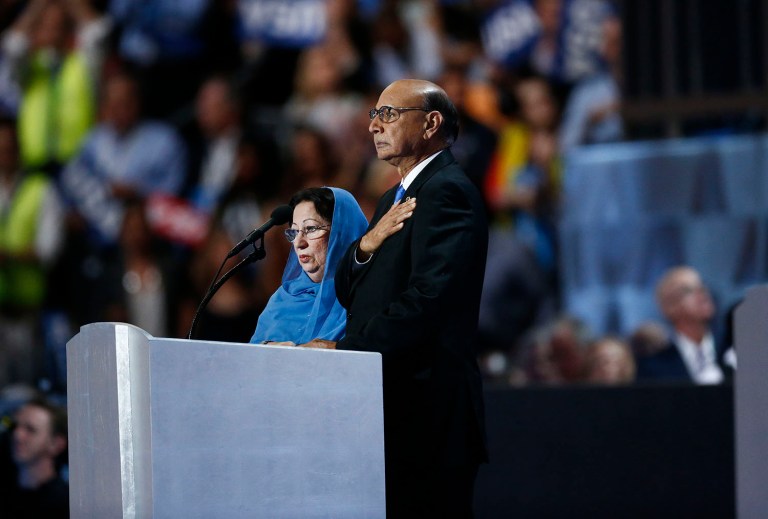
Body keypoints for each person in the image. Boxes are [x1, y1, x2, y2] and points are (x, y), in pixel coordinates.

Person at [301, 79, 489, 516]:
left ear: (431, 124)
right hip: (391, 407)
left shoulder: (446, 191)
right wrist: (364, 248)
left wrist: (348, 351)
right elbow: (350, 292)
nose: (374, 126)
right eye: (374, 115)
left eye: (388, 114)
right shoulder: (394, 197)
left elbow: (428, 299)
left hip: (429, 413)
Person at [250, 186, 367, 345]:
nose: (299, 243)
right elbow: (251, 356)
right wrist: (268, 348)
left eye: (311, 228)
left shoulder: (365, 294)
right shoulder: (283, 298)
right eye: (294, 232)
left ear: (341, 232)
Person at [636, 266, 726, 385]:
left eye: (702, 287)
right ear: (668, 307)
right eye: (688, 291)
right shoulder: (653, 367)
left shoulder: (734, 348)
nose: (702, 294)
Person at [7, 396, 69, 518]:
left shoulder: (66, 505)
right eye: (15, 426)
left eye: (30, 430)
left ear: (56, 444)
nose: (17, 435)